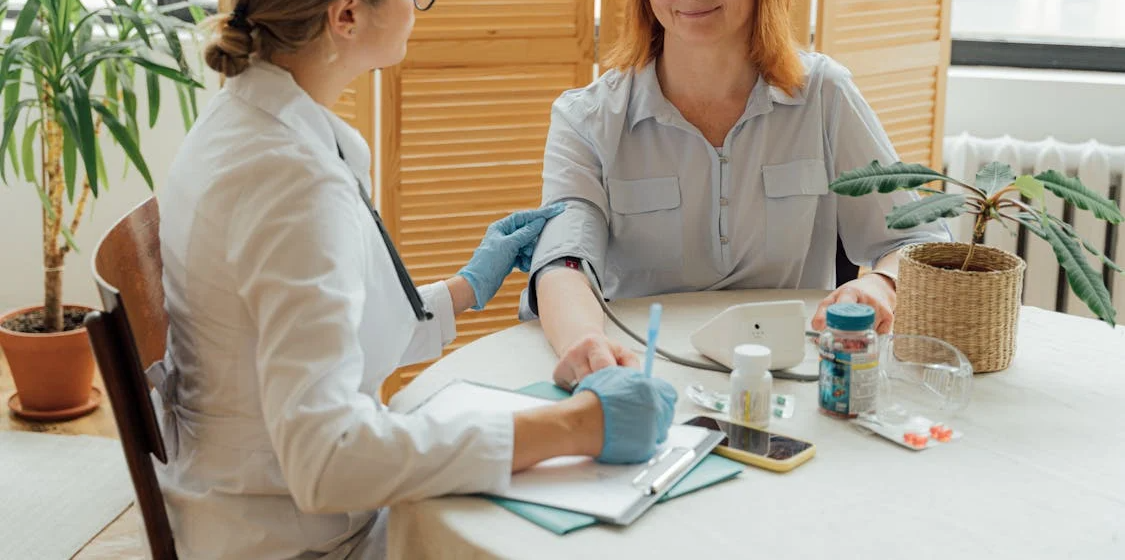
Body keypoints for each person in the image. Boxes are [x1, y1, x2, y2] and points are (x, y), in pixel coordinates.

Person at [152, 0, 677, 558]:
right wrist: (576, 427)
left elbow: (300, 338)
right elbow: (327, 459)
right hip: (297, 540)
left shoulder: (246, 122)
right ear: (347, 16)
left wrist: (464, 290)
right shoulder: (290, 179)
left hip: (249, 502)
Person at [520, 0, 952, 388]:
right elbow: (563, 262)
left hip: (792, 381)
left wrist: (881, 285)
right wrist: (587, 344)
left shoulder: (825, 95)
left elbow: (918, 240)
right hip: (642, 375)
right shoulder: (586, 119)